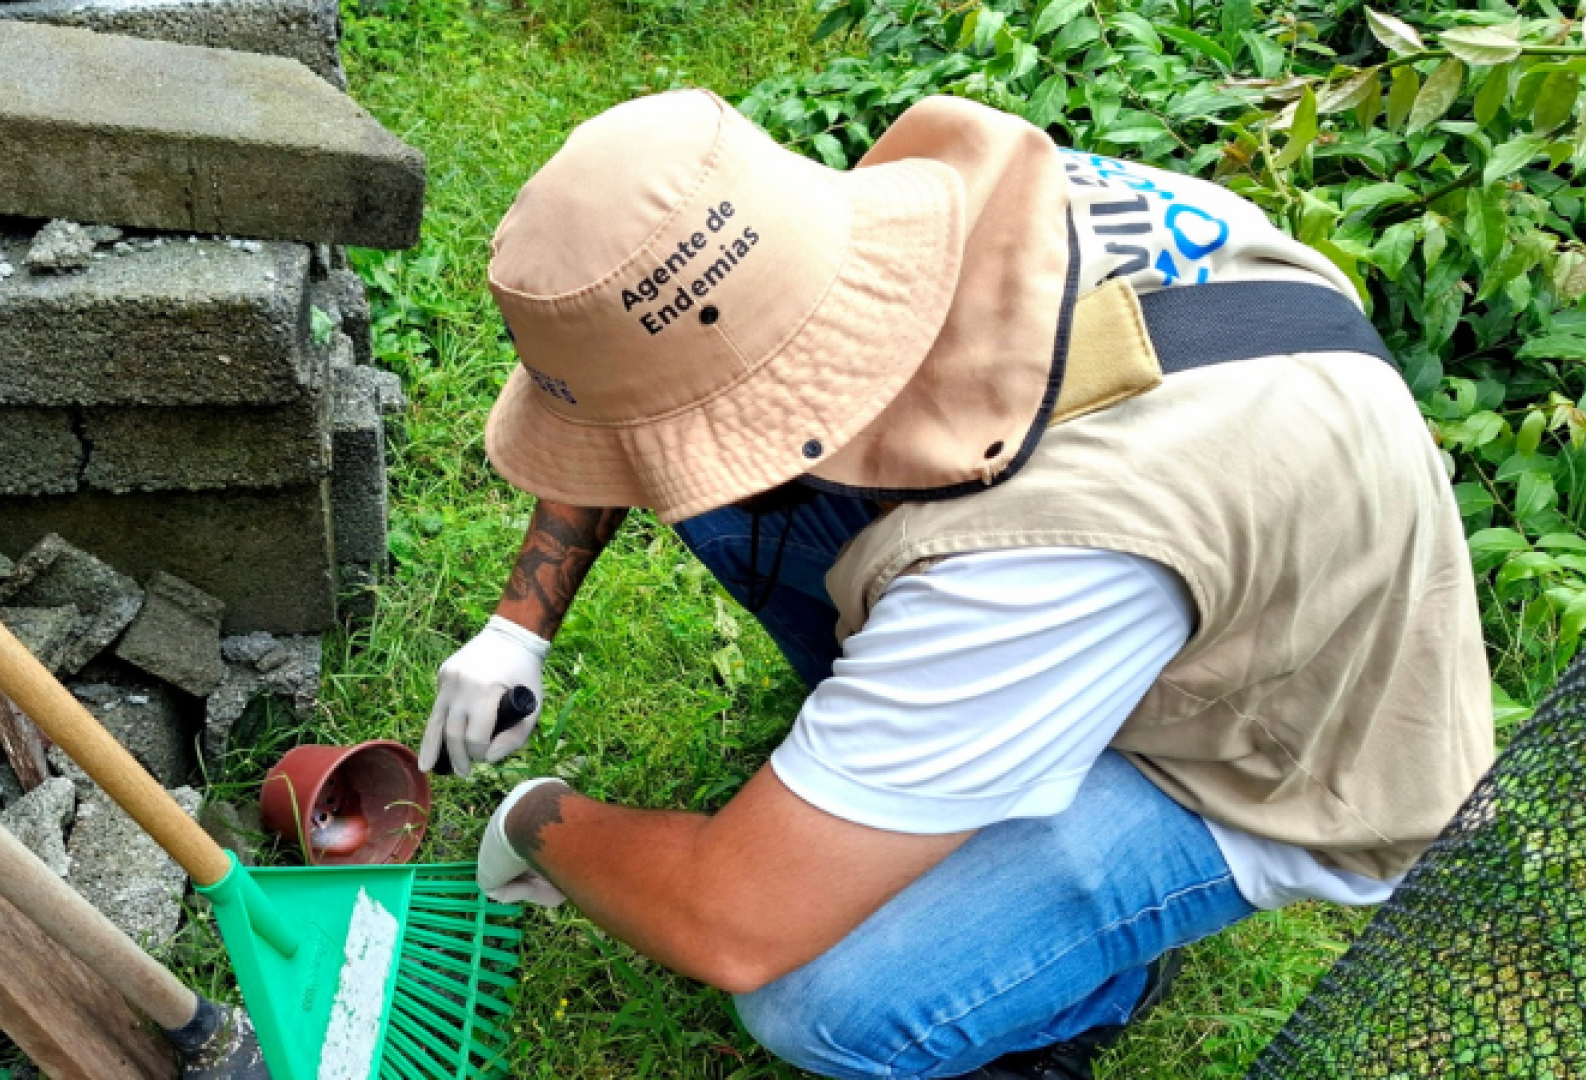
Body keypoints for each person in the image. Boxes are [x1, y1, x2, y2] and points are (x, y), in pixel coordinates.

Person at [418, 88, 1494, 1080]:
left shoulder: (1030, 571)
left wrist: (540, 820)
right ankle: (918, 764)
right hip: (1212, 538)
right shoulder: (932, 212)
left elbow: (731, 922)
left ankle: (1090, 985)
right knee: (714, 487)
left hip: (1260, 747)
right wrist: (519, 626)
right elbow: (642, 406)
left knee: (824, 994)